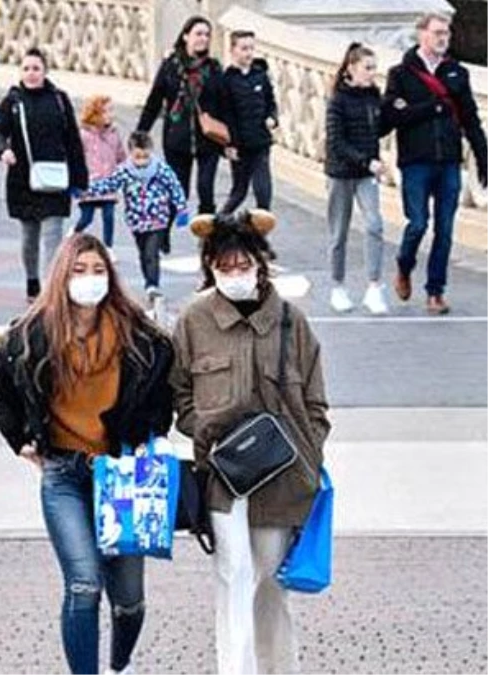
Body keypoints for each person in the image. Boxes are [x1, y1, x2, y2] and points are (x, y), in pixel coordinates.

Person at [0, 233, 173, 675]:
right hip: (64, 474)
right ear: (61, 277)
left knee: (128, 601)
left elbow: (161, 393)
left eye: (98, 270)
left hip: (122, 472)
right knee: (84, 583)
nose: (90, 280)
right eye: (79, 271)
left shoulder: (141, 338)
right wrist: (20, 440)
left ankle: (119, 665)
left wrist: (152, 436)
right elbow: (0, 386)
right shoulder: (31, 335)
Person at [170, 208, 329, 675]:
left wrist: (310, 448)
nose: (235, 274)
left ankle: (278, 668)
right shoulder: (194, 320)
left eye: (244, 265)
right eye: (224, 267)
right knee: (232, 574)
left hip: (283, 473)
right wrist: (201, 428)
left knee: (271, 581)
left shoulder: (290, 321)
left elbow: (316, 398)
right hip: (223, 474)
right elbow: (179, 390)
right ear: (210, 268)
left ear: (261, 263)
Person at [384, 12, 488, 315]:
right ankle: (404, 266)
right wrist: (432, 108)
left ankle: (435, 292)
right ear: (422, 35)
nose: (444, 38)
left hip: (448, 162)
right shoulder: (400, 74)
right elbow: (392, 117)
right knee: (417, 224)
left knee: (445, 229)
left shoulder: (456, 72)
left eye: (447, 33)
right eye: (438, 33)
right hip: (416, 161)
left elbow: (470, 118)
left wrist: (483, 158)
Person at [0, 48, 89, 303]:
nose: (31, 74)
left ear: (45, 71)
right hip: (23, 178)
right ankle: (32, 280)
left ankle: (51, 289)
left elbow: (73, 140)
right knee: (29, 237)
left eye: (36, 68)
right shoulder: (13, 102)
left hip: (55, 178)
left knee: (52, 234)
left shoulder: (59, 100)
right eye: (26, 69)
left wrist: (80, 180)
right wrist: (3, 151)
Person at [83, 132, 188, 322]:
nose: (142, 161)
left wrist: (181, 209)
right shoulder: (124, 171)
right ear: (131, 153)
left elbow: (175, 186)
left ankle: (153, 285)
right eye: (137, 156)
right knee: (142, 251)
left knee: (151, 252)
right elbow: (109, 185)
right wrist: (85, 190)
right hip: (137, 219)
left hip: (157, 218)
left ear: (151, 152)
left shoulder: (160, 169)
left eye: (145, 156)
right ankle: (149, 280)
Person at [326, 43, 390, 315]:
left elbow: (381, 126)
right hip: (341, 173)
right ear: (351, 68)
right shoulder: (338, 99)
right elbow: (336, 141)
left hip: (367, 175)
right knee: (339, 232)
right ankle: (337, 286)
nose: (372, 73)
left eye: (374, 68)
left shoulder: (374, 95)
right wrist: (367, 161)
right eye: (368, 68)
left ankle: (374, 286)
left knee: (374, 224)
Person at [138, 16, 224, 218]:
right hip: (178, 138)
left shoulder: (213, 68)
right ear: (186, 36)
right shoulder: (171, 66)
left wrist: (231, 140)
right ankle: (162, 234)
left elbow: (224, 104)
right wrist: (141, 133)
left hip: (208, 138)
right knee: (179, 192)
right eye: (198, 34)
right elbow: (154, 101)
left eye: (206, 35)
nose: (203, 39)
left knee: (206, 191)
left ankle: (208, 240)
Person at [218, 31, 278, 215]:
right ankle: (218, 224)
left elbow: (271, 103)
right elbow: (225, 115)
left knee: (263, 193)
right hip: (240, 145)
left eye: (251, 48)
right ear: (233, 50)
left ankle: (259, 235)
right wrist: (229, 145)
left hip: (260, 142)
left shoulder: (260, 75)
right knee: (239, 191)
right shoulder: (227, 80)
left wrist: (272, 119)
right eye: (244, 49)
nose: (249, 53)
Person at [76, 95, 127, 247]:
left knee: (109, 216)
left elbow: (121, 155)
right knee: (87, 217)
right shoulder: (84, 135)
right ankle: (74, 234)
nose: (111, 114)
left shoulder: (113, 133)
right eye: (107, 111)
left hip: (109, 182)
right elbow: (76, 157)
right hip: (90, 183)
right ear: (96, 114)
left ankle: (108, 247)